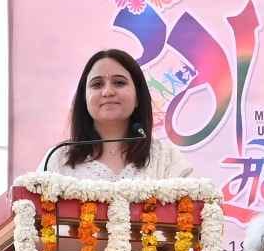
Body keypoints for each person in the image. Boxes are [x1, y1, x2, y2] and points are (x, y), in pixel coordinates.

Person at [51, 48, 194, 180]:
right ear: (84, 99)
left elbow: (198, 206)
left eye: (119, 83)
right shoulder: (59, 160)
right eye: (97, 84)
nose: (108, 92)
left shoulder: (166, 158)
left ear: (138, 96)